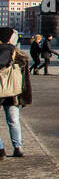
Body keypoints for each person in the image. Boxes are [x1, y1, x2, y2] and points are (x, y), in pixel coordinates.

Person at [0, 28, 32, 158]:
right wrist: (25, 96)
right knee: (14, 120)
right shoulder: (20, 55)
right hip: (13, 92)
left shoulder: (3, 50)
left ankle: (0, 149)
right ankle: (18, 147)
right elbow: (25, 79)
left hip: (1, 88)